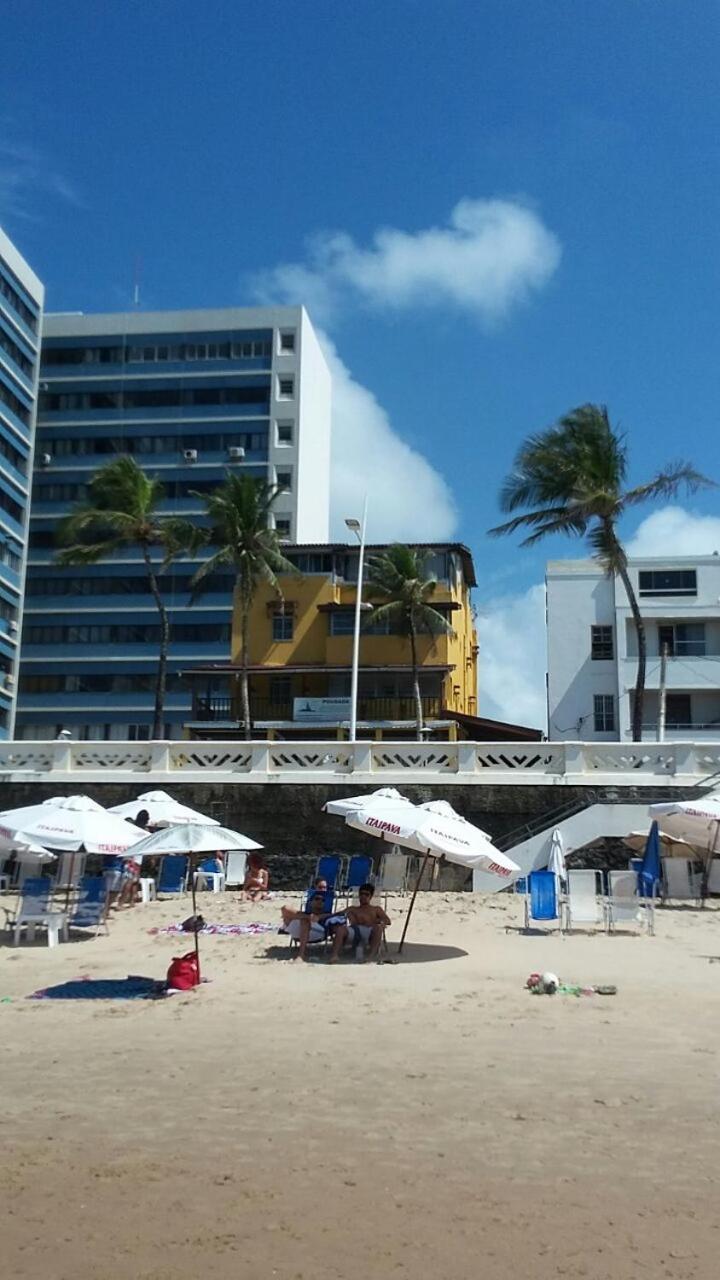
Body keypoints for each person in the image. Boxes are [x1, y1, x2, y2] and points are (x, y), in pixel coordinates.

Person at [329, 883, 390, 964]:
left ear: (370, 897)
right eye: (361, 894)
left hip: (370, 931)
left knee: (378, 928)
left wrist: (378, 921)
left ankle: (371, 956)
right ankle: (334, 955)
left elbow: (387, 920)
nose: (363, 896)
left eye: (366, 894)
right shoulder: (353, 909)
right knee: (340, 929)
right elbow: (336, 915)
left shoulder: (376, 909)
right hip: (355, 931)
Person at [284, 890, 334, 962]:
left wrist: (319, 917)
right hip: (299, 928)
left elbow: (332, 915)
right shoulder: (305, 913)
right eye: (317, 899)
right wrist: (308, 916)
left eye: (323, 900)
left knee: (304, 921)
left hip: (318, 932)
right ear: (310, 902)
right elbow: (284, 908)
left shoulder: (325, 914)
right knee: (286, 911)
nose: (320, 901)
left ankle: (301, 955)